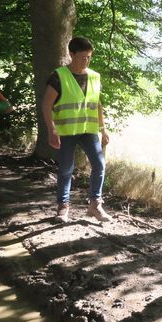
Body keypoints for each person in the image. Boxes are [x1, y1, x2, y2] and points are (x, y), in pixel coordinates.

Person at [42, 36, 112, 224]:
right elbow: (46, 104)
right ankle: (63, 207)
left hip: (89, 130)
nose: (87, 60)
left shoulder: (95, 76)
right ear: (71, 54)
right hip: (66, 131)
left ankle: (95, 204)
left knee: (99, 165)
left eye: (89, 57)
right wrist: (52, 130)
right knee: (66, 168)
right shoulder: (59, 76)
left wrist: (103, 129)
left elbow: (97, 104)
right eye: (83, 57)